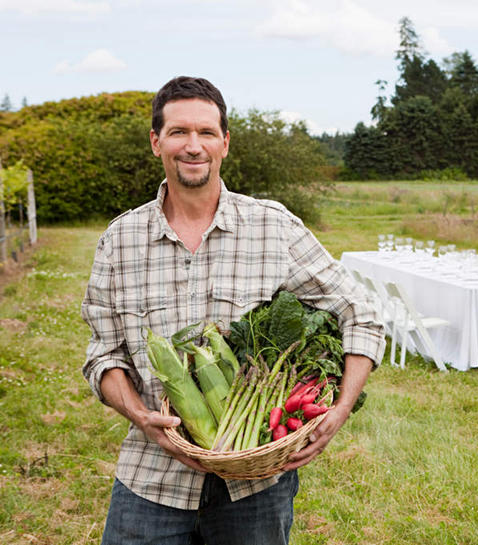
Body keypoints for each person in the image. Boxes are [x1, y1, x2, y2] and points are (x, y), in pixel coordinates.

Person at [81, 76, 385, 545]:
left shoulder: (273, 226)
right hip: (151, 474)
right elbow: (104, 355)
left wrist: (339, 410)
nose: (193, 145)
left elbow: (360, 312)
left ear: (225, 143)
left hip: (256, 485)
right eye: (179, 132)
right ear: (156, 142)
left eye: (206, 133)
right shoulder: (120, 240)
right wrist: (141, 415)